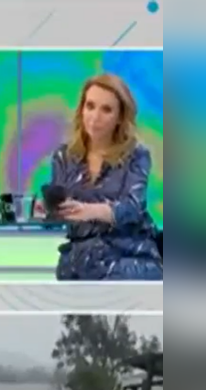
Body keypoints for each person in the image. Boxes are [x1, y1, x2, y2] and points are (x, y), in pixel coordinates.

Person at [33, 73, 162, 281]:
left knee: (109, 277)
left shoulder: (136, 155)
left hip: (128, 254)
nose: (95, 117)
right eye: (90, 106)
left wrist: (88, 211)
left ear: (120, 117)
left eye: (106, 109)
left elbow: (132, 208)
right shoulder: (64, 156)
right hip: (80, 257)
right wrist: (48, 211)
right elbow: (61, 214)